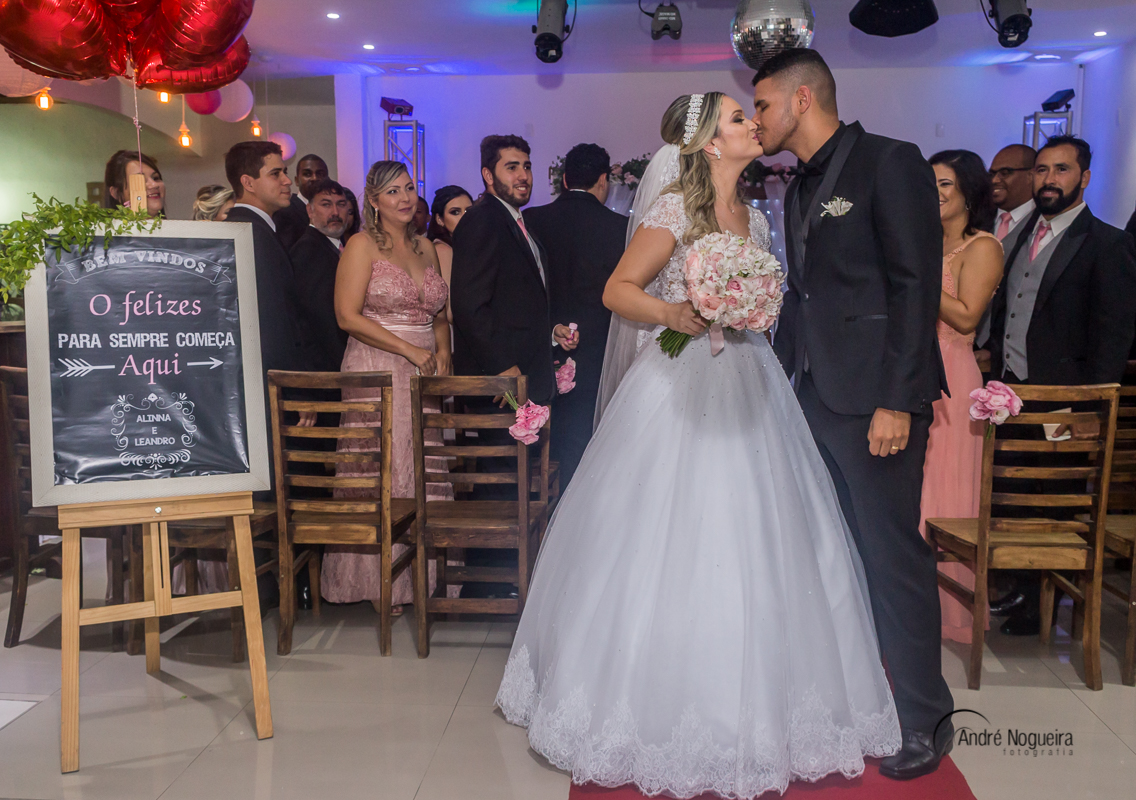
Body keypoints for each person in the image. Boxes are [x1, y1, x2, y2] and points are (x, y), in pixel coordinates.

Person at [496, 93, 900, 798]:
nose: (753, 125)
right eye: (740, 119)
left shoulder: (759, 215)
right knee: (668, 530)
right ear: (712, 143)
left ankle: (774, 705)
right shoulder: (675, 212)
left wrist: (750, 310)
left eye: (751, 116)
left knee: (768, 530)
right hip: (679, 376)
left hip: (750, 376)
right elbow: (618, 291)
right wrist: (676, 310)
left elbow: (768, 304)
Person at [752, 49, 954, 778]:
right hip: (814, 397)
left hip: (876, 402)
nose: (759, 120)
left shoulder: (889, 161)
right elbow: (809, 298)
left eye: (765, 106)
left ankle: (927, 719)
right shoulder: (796, 185)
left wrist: (895, 401)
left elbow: (913, 288)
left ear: (803, 99)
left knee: (892, 556)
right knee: (835, 558)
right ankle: (862, 702)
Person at [987, 135, 1136, 635]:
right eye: (1044, 170)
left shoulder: (1109, 244)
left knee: (1055, 501)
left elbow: (1114, 335)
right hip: (1011, 394)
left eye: (1062, 170)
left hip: (1067, 401)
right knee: (1011, 496)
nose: (1050, 179)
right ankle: (1015, 588)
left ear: (1084, 178)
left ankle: (1038, 606)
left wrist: (1088, 407)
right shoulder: (1019, 232)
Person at [320, 161, 454, 613]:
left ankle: (422, 580)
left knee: (423, 467)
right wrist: (409, 351)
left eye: (410, 188)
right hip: (377, 365)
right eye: (392, 191)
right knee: (382, 470)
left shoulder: (427, 248)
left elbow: (438, 316)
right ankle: (381, 585)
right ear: (373, 201)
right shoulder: (359, 246)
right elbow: (347, 316)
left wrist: (442, 353)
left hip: (426, 372)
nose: (405, 197)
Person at [451, 135, 579, 598]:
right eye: (510, 167)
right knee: (496, 483)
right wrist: (502, 371)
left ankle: (508, 579)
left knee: (513, 482)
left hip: (522, 373)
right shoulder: (482, 221)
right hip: (500, 381)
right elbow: (468, 307)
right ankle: (486, 586)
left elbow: (515, 307)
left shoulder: (517, 223)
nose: (522, 174)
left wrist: (551, 335)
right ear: (488, 175)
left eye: (526, 165)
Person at [224, 140, 313, 608]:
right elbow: (272, 324)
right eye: (276, 173)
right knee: (270, 486)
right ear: (248, 182)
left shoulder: (260, 230)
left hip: (261, 384)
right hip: (266, 386)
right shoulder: (248, 232)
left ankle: (272, 588)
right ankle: (268, 591)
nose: (287, 181)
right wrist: (293, 391)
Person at [920, 150, 1003, 644]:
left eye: (945, 184)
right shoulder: (925, 242)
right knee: (916, 493)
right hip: (916, 372)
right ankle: (915, 611)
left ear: (969, 192)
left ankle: (952, 615)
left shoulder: (983, 246)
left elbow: (968, 317)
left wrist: (918, 275)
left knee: (946, 492)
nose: (935, 193)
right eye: (929, 183)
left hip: (953, 374)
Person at [523, 143, 628, 486]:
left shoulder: (532, 220)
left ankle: (545, 511)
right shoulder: (620, 228)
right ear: (603, 180)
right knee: (586, 445)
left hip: (538, 348)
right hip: (598, 349)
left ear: (564, 180)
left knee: (536, 443)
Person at [975, 144, 1036, 348]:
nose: (994, 180)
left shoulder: (1041, 225)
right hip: (970, 340)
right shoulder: (978, 218)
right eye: (992, 173)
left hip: (1014, 347)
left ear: (1031, 175)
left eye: (1005, 173)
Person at [290, 178, 351, 373]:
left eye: (341, 204)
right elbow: (321, 318)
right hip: (325, 369)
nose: (335, 212)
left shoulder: (336, 247)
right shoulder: (308, 249)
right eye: (326, 204)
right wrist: (346, 364)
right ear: (310, 210)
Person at [426, 185, 473, 307]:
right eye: (455, 212)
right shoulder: (442, 249)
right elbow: (451, 309)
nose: (465, 217)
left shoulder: (468, 247)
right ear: (439, 219)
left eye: (469, 211)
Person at [273, 153, 330, 249]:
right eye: (307, 174)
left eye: (320, 174)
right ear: (296, 180)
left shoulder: (332, 211)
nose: (314, 178)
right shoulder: (286, 212)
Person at [104, 150, 165, 216]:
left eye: (156, 178)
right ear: (116, 193)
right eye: (140, 180)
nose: (154, 185)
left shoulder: (173, 225)